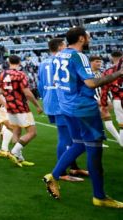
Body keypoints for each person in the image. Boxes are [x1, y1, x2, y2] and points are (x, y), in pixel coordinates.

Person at [43, 27, 123, 208]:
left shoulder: (59, 56)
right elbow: (91, 82)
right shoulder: (79, 56)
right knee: (94, 150)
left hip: (67, 107)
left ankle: (53, 175)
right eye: (88, 36)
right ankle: (99, 196)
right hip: (83, 109)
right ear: (81, 38)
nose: (90, 39)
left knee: (78, 143)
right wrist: (118, 73)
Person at [38, 38, 86, 182]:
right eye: (64, 45)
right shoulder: (62, 60)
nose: (66, 48)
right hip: (62, 102)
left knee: (72, 137)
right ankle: (62, 172)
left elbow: (40, 84)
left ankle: (74, 167)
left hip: (50, 101)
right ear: (60, 47)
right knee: (66, 137)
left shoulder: (43, 63)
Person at [0, 55, 43, 167]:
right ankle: (14, 152)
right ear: (19, 62)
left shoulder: (3, 74)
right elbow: (27, 93)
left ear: (9, 62)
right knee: (32, 133)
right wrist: (37, 105)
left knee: (16, 132)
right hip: (21, 107)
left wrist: (10, 96)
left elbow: (0, 90)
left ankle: (19, 158)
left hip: (10, 107)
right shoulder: (20, 74)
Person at [90, 55, 121, 145]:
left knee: (105, 118)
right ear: (91, 62)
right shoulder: (88, 74)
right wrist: (96, 99)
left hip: (102, 98)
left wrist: (108, 98)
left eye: (100, 62)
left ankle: (118, 140)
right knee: (99, 119)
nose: (99, 63)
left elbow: (107, 86)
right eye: (97, 62)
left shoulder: (102, 72)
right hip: (92, 100)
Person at [100, 51, 123, 147]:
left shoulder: (108, 71)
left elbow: (104, 89)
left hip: (118, 99)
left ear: (111, 57)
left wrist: (103, 103)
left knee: (122, 125)